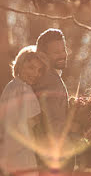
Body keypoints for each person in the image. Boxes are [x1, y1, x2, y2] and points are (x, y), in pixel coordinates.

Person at [0, 46, 48, 176]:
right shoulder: (23, 89)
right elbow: (32, 123)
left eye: (39, 70)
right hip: (19, 151)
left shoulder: (11, 86)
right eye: (31, 67)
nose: (35, 74)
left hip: (2, 147)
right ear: (20, 65)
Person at [32, 28, 75, 174]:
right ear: (43, 56)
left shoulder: (48, 77)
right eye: (56, 52)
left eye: (63, 49)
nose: (63, 54)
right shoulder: (48, 81)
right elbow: (53, 125)